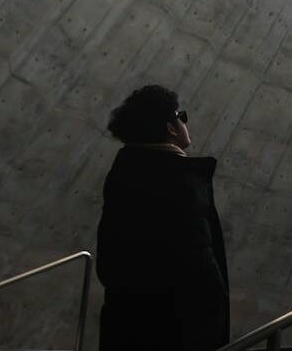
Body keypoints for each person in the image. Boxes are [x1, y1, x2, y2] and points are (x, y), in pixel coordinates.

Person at [96, 85, 229, 351]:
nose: (185, 123)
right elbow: (197, 256)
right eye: (182, 116)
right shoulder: (180, 180)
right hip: (176, 328)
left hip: (126, 325)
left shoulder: (123, 174)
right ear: (170, 128)